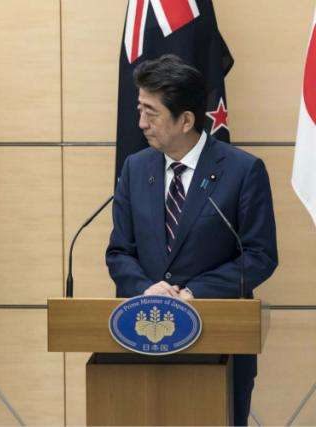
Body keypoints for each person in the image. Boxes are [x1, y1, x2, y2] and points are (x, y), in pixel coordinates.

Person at [105, 55, 278, 426]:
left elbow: (260, 255)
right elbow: (119, 252)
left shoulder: (243, 171)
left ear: (185, 120)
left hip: (219, 345)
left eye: (151, 113)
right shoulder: (135, 168)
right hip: (143, 340)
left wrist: (195, 293)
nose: (141, 123)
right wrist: (147, 288)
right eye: (140, 109)